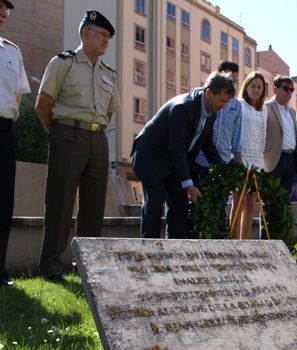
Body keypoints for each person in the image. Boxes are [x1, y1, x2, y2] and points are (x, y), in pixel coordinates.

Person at [35, 10, 120, 280]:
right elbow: (43, 104)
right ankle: (51, 268)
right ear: (85, 34)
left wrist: (94, 129)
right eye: (102, 34)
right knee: (60, 203)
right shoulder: (64, 63)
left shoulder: (109, 73)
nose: (106, 40)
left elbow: (110, 110)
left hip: (98, 139)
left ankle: (87, 267)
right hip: (68, 135)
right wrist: (58, 133)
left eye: (109, 36)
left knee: (94, 207)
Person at [132, 72, 234, 238]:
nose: (223, 106)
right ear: (208, 93)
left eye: (226, 102)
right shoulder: (182, 107)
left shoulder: (211, 114)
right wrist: (189, 184)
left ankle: (174, 253)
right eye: (222, 101)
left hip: (174, 163)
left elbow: (208, 146)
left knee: (179, 207)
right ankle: (148, 254)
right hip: (151, 158)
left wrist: (226, 170)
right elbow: (177, 148)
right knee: (155, 205)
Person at [0, 0, 30, 286]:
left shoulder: (12, 51)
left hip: (4, 130)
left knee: (4, 201)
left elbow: (18, 96)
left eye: (5, 8)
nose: (2, 13)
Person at [232, 71, 268, 240]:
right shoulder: (238, 104)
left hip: (258, 159)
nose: (256, 89)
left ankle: (244, 241)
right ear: (246, 87)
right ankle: (231, 239)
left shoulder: (264, 110)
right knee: (238, 201)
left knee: (251, 203)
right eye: (253, 86)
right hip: (240, 155)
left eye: (259, 87)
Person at [194, 60, 243, 183]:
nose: (232, 84)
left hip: (223, 163)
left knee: (220, 202)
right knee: (199, 201)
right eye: (229, 80)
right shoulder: (202, 96)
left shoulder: (237, 105)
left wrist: (240, 167)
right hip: (200, 161)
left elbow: (236, 141)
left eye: (235, 81)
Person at [264, 75, 297, 201]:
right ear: (275, 89)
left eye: (291, 90)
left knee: (285, 200)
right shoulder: (266, 107)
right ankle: (269, 222)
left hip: (291, 159)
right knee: (270, 199)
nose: (289, 92)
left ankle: (280, 222)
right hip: (274, 159)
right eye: (285, 88)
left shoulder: (292, 111)